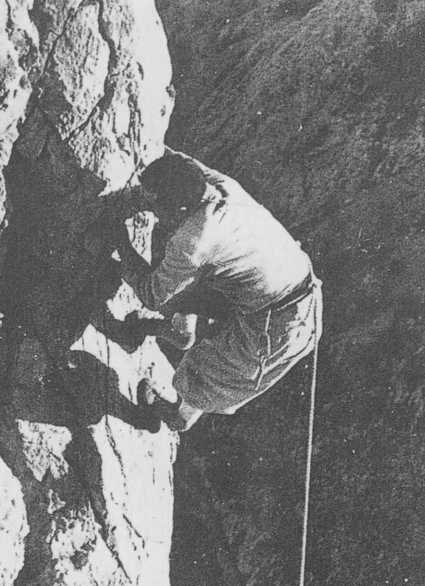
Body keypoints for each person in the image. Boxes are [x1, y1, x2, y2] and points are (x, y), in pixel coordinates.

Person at [113, 151, 322, 431]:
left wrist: (118, 238)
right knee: (183, 272)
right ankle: (180, 332)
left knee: (206, 375)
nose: (151, 209)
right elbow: (178, 159)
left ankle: (176, 416)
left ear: (181, 210)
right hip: (285, 290)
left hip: (281, 327)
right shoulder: (221, 187)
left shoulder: (194, 239)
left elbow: (151, 295)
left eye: (157, 205)